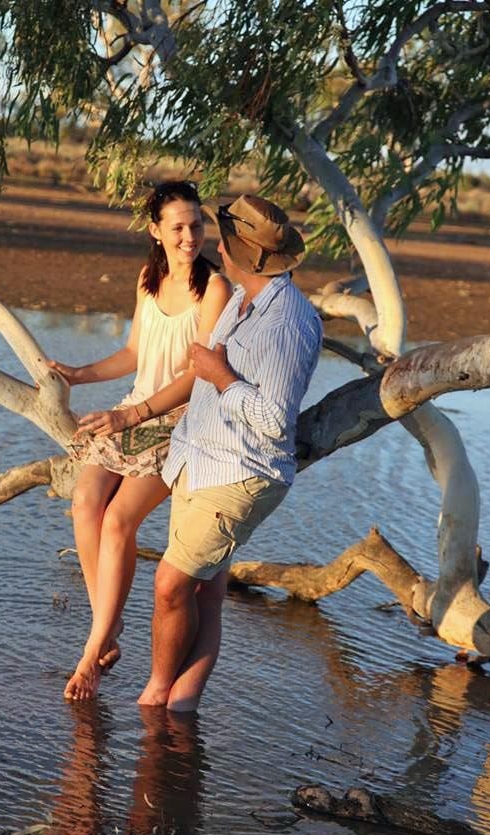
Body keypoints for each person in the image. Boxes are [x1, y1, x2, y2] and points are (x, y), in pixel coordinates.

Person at [138, 193, 323, 712]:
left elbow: (272, 421)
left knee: (170, 586)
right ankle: (182, 707)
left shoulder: (286, 322)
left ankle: (157, 695)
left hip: (239, 472)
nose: (215, 242)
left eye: (226, 238)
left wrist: (220, 377)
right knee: (206, 595)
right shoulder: (244, 298)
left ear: (245, 253)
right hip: (201, 459)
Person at [49, 181, 231, 702]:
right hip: (132, 409)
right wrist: (79, 375)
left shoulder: (212, 288)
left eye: (196, 224)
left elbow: (200, 372)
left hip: (176, 422)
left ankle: (92, 652)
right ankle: (107, 627)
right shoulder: (148, 278)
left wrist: (131, 415)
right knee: (85, 501)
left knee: (118, 520)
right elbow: (134, 352)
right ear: (155, 230)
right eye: (177, 226)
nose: (188, 235)